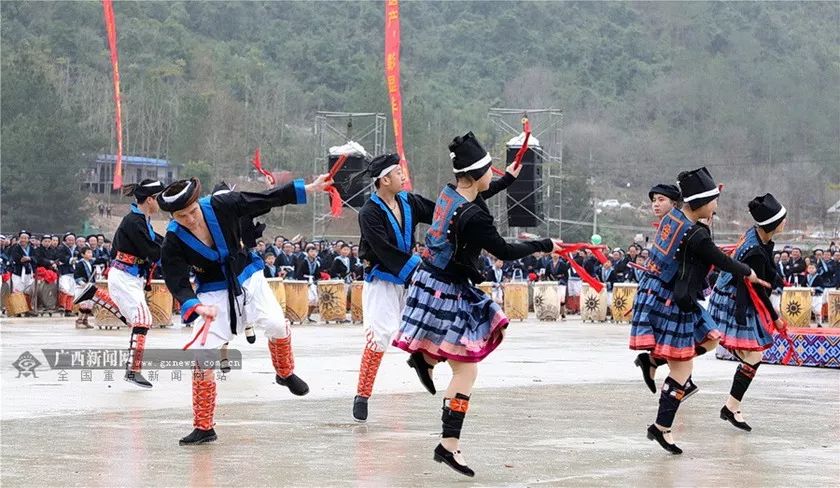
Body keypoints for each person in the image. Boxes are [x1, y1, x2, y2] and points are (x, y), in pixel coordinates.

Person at [392, 132, 559, 476]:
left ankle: (423, 358)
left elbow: (479, 197)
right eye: (490, 171)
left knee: (459, 361)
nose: (492, 176)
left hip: (430, 280)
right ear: (476, 174)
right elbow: (504, 251)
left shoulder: (449, 194)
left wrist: (508, 179)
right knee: (466, 368)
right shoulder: (474, 217)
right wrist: (544, 245)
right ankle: (448, 443)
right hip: (449, 288)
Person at [158, 173, 328, 445]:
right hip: (212, 292)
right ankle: (204, 426)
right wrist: (195, 306)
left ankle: (284, 373)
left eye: (192, 212)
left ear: (198, 204)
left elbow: (263, 199)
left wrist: (307, 188)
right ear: (173, 217)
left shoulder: (220, 204)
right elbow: (175, 278)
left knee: (275, 324)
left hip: (248, 276)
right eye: (182, 217)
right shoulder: (174, 240)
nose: (190, 220)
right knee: (202, 356)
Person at [629, 168, 766, 455]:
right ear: (701, 203)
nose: (716, 205)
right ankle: (661, 427)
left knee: (711, 338)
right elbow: (720, 259)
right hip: (671, 299)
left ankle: (653, 362)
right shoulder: (695, 235)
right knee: (682, 369)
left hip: (663, 293)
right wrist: (749, 273)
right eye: (713, 201)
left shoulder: (674, 219)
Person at [75, 180, 166, 388]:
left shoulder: (141, 220)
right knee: (143, 320)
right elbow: (152, 251)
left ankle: (95, 295)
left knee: (136, 320)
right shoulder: (134, 222)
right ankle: (133, 370)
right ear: (150, 199)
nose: (159, 202)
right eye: (158, 198)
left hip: (129, 277)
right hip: (125, 276)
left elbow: (158, 243)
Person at [709, 193, 786, 432]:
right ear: (773, 223)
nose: (785, 222)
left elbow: (765, 272)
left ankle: (731, 407)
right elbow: (758, 290)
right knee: (747, 355)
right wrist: (776, 318)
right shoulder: (754, 248)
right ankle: (730, 407)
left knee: (749, 356)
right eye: (783, 218)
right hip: (733, 300)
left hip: (737, 296)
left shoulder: (760, 236)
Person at [8, 231, 36, 316]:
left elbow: (36, 258)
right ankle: (18, 310)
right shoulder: (15, 247)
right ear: (19, 238)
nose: (23, 240)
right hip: (18, 271)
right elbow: (15, 257)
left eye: (25, 238)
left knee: (27, 290)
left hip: (28, 271)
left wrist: (29, 258)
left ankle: (27, 309)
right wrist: (23, 259)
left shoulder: (31, 248)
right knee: (17, 289)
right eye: (22, 238)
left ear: (28, 239)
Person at [73, 246, 97, 328]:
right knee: (83, 304)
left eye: (91, 252)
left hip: (89, 286)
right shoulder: (79, 263)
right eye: (88, 253)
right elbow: (76, 275)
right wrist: (82, 283)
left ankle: (85, 320)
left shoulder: (91, 263)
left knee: (89, 304)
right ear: (83, 254)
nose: (90, 254)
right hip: (82, 286)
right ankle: (79, 320)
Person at [56, 232, 78, 316]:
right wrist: (70, 260)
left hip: (72, 271)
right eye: (69, 240)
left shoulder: (75, 248)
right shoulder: (61, 248)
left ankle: (69, 309)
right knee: (65, 289)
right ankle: (62, 306)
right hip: (64, 271)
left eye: (73, 240)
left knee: (72, 291)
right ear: (65, 240)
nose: (71, 241)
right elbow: (61, 257)